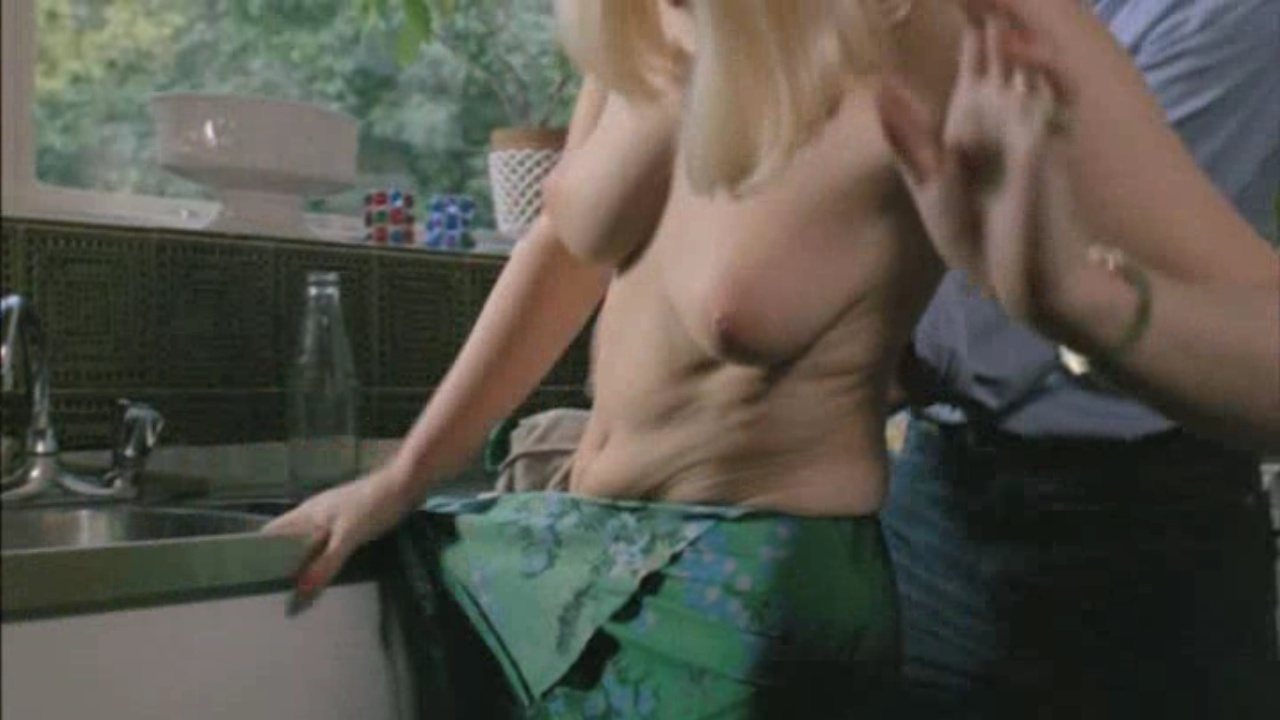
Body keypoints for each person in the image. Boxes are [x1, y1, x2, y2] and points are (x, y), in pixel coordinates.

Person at [266, 1, 968, 716]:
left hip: (745, 596)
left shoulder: (917, 30)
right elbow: (564, 251)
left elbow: (1024, 265)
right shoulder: (638, 18)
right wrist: (404, 477)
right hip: (585, 555)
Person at [873, 0, 1279, 716]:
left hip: (1152, 507)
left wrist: (850, 358)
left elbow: (1030, 307)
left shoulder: (1227, 16)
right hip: (945, 484)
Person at [877, 4, 1280, 448]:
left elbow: (1021, 308)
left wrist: (860, 360)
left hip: (1116, 455)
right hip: (945, 433)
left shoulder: (1228, 20)